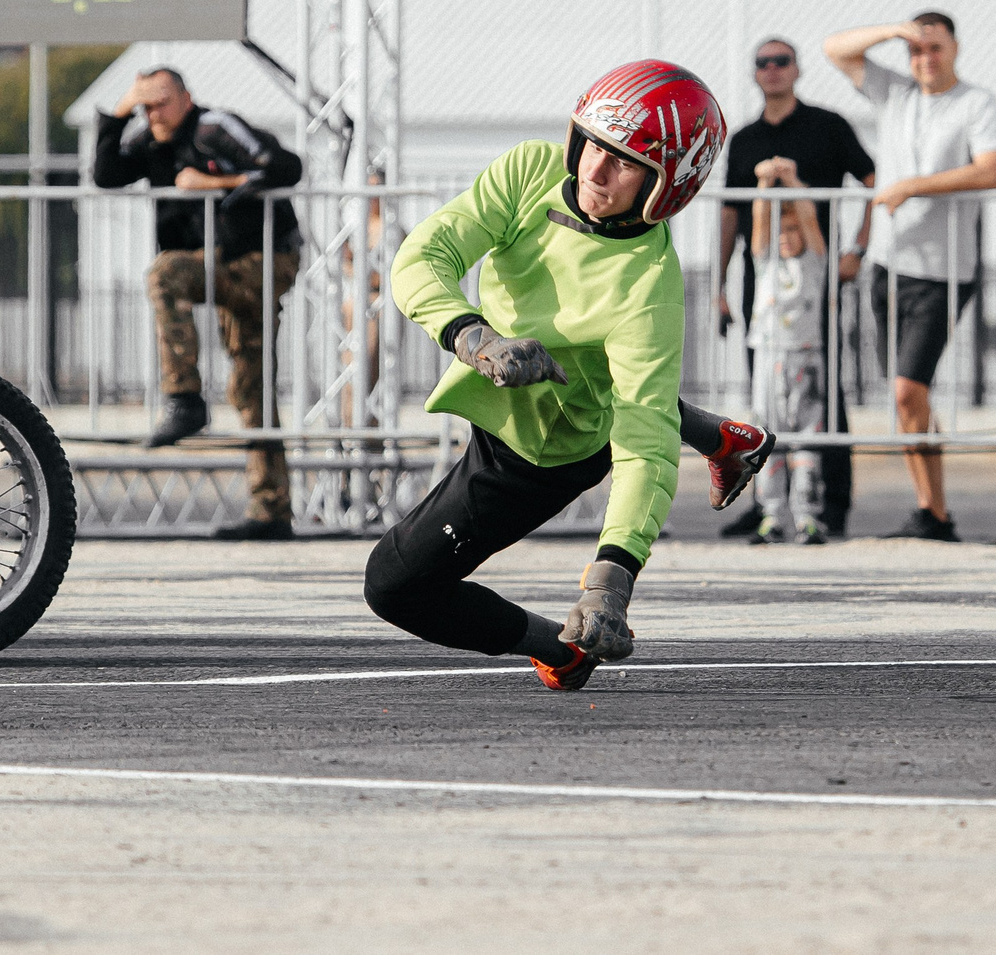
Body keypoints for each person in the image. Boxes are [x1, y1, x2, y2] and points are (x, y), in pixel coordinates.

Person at [366, 61, 773, 692]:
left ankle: (560, 652)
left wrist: (612, 581)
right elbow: (424, 255)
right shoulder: (530, 169)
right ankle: (725, 440)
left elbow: (643, 445)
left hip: (543, 451)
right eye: (592, 144)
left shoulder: (650, 289)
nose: (594, 171)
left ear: (670, 184)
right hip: (509, 379)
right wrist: (475, 337)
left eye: (625, 162)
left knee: (394, 586)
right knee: (612, 384)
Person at [91, 67, 304, 540]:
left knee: (170, 279)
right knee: (248, 382)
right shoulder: (149, 141)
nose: (153, 114)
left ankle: (190, 406)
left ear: (186, 98)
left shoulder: (214, 128)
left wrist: (213, 183)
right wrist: (120, 111)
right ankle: (268, 506)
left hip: (262, 259)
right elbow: (106, 175)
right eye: (145, 106)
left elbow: (285, 167)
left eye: (161, 102)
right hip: (214, 266)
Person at [822, 12, 996, 542]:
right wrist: (890, 32)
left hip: (943, 271)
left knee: (909, 390)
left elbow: (991, 169)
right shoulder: (897, 93)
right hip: (888, 265)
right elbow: (836, 49)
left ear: (955, 48)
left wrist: (912, 186)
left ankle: (937, 510)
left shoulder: (977, 103)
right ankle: (931, 510)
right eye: (917, 49)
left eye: (935, 47)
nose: (925, 58)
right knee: (907, 398)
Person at [713, 37, 874, 538]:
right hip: (760, 276)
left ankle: (830, 502)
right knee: (763, 393)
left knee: (823, 394)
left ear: (797, 69)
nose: (773, 69)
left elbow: (872, 179)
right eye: (763, 62)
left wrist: (858, 248)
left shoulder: (828, 126)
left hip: (815, 279)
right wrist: (719, 283)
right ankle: (766, 503)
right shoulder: (744, 139)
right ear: (754, 73)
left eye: (781, 61)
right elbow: (730, 212)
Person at [744, 157, 830, 545]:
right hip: (768, 355)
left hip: (804, 355)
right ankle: (771, 514)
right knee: (766, 433)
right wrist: (764, 185)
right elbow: (760, 222)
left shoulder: (813, 262)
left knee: (808, 435)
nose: (785, 236)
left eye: (792, 229)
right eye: (781, 230)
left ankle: (807, 516)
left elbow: (809, 218)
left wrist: (792, 180)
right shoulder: (766, 263)